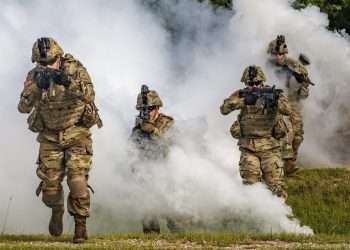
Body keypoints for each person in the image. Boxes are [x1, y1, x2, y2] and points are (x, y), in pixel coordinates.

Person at [18, 37, 102, 243]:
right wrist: (37, 87)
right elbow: (23, 107)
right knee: (50, 189)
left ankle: (80, 225)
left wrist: (68, 81)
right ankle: (57, 209)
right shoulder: (34, 75)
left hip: (76, 132)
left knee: (77, 180)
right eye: (42, 63)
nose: (47, 66)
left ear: (59, 56)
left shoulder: (75, 68)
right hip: (50, 136)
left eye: (50, 62)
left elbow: (90, 95)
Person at [220, 65, 293, 199]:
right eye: (250, 83)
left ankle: (279, 216)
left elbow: (288, 110)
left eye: (257, 83)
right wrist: (244, 101)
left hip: (270, 147)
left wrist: (274, 102)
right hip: (248, 147)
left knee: (276, 188)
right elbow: (224, 109)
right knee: (251, 186)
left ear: (262, 81)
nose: (254, 86)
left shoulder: (273, 93)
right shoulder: (241, 93)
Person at [131, 85, 182, 233]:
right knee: (147, 208)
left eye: (150, 109)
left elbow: (171, 144)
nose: (147, 112)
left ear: (157, 108)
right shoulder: (138, 126)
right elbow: (132, 148)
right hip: (146, 171)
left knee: (172, 212)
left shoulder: (167, 123)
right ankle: (151, 238)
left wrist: (153, 131)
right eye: (143, 109)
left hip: (165, 170)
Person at [267, 35, 313, 176]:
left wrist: (300, 84)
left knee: (297, 136)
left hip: (293, 102)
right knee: (286, 133)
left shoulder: (295, 65)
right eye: (277, 54)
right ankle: (282, 165)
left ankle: (290, 163)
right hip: (276, 103)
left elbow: (305, 93)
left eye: (283, 54)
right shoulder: (265, 66)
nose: (280, 57)